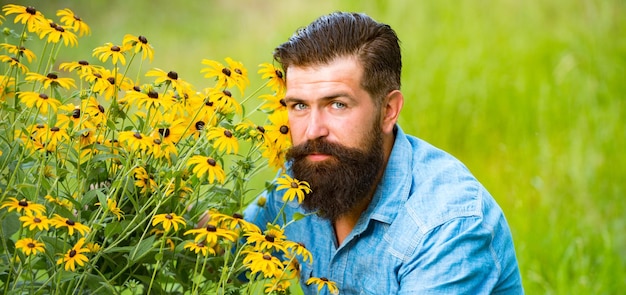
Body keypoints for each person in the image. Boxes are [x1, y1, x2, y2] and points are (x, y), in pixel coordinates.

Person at [245, 11, 523, 294]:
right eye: (300, 106)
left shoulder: (447, 223)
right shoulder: (302, 180)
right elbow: (222, 254)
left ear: (388, 111)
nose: (313, 130)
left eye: (337, 104)